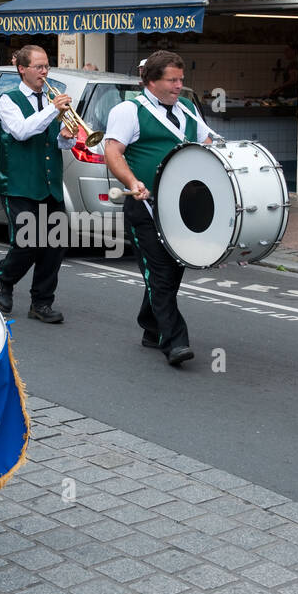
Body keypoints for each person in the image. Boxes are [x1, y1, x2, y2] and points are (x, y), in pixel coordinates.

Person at [104, 50, 215, 367]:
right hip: (145, 207)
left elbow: (206, 144)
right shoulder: (129, 111)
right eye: (172, 80)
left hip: (183, 207)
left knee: (172, 271)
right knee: (161, 275)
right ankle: (175, 341)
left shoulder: (189, 110)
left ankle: (150, 326)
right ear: (151, 81)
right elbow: (113, 152)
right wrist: (133, 181)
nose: (180, 85)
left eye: (181, 79)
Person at [0, 45, 75, 324]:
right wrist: (53, 110)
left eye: (46, 66)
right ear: (22, 69)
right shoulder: (8, 99)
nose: (44, 72)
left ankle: (42, 302)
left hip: (49, 183)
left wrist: (67, 134)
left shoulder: (51, 100)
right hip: (19, 184)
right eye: (38, 67)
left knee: (55, 244)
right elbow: (23, 132)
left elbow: (59, 142)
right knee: (28, 242)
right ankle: (4, 277)